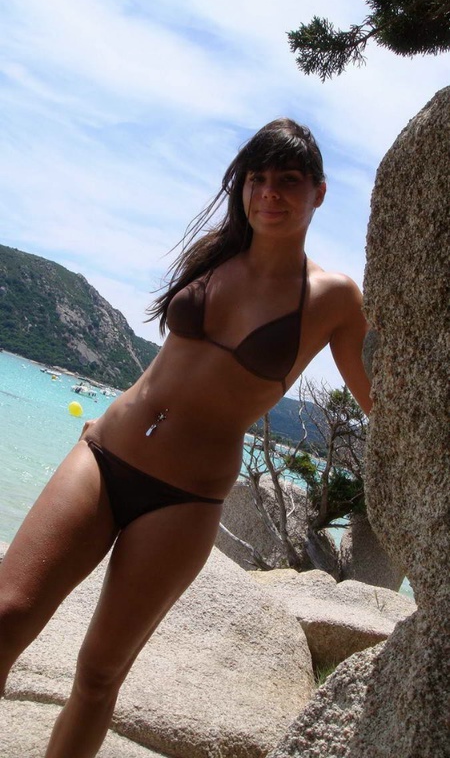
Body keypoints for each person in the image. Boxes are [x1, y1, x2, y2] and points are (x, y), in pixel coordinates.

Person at [0, 118, 372, 757]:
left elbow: (379, 400)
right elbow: (171, 362)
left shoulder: (332, 297)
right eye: (257, 178)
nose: (269, 193)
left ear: (319, 192)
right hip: (105, 452)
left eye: (288, 180)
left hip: (185, 498)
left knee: (99, 674)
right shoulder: (215, 251)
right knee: (6, 616)